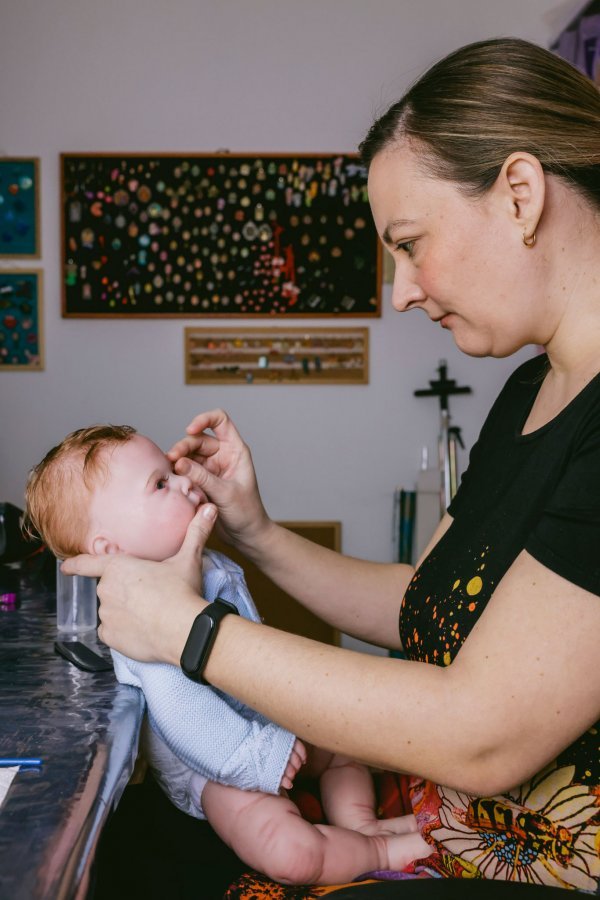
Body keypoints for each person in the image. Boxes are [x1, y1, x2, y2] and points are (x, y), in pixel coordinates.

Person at [61, 37, 600, 894]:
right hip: (430, 814)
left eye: (410, 243)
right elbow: (421, 605)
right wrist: (257, 532)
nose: (403, 291)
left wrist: (191, 632)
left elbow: (485, 731)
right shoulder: (531, 390)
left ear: (521, 196)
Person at [24, 424, 429, 886]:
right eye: (160, 484)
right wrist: (260, 761)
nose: (184, 481)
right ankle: (381, 849)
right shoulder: (134, 613)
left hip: (271, 725)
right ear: (110, 550)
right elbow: (187, 718)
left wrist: (288, 728)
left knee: (345, 746)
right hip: (220, 771)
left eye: (171, 472)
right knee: (289, 854)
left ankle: (359, 826)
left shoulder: (213, 565)